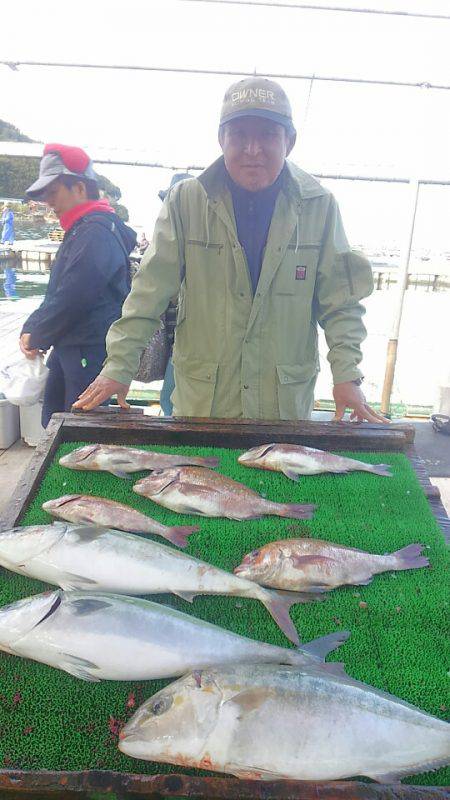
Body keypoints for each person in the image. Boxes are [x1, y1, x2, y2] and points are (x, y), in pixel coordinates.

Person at [75, 77, 387, 423]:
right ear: (221, 139)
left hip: (283, 406)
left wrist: (347, 375)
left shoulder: (320, 206)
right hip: (203, 404)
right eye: (239, 135)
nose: (252, 149)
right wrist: (118, 366)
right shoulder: (185, 202)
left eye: (268, 134)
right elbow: (149, 291)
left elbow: (340, 302)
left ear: (290, 141)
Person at [19, 143, 136, 427]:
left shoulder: (95, 232)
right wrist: (32, 326)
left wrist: (38, 334)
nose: (49, 202)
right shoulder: (83, 229)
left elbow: (75, 295)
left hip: (88, 349)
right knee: (55, 421)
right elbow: (58, 291)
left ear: (80, 188)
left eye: (53, 192)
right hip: (70, 345)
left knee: (79, 428)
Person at [158, 172, 193, 416]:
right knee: (169, 396)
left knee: (170, 398)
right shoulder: (170, 238)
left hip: (186, 340)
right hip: (176, 337)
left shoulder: (193, 239)